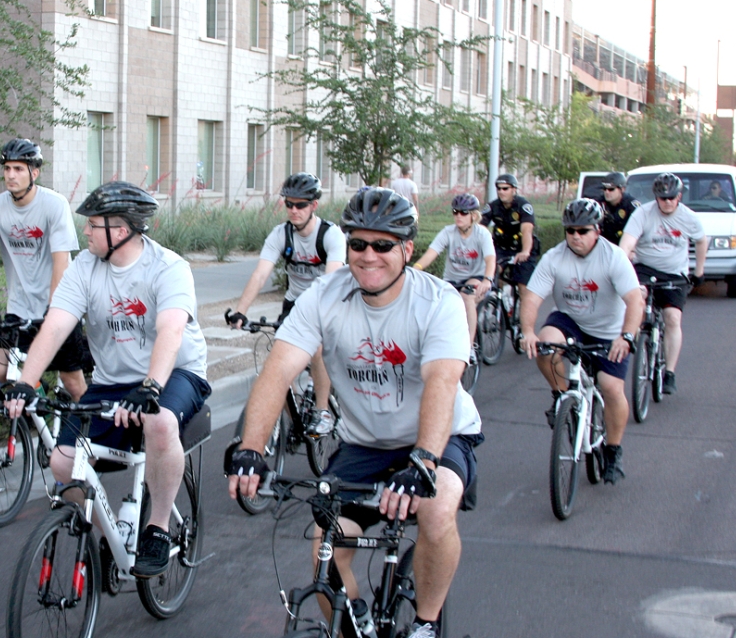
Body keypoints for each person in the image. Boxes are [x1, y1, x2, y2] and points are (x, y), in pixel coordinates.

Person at [230, 188, 482, 638]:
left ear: (407, 249)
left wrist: (423, 460)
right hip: (365, 442)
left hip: (436, 439)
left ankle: (425, 623)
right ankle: (355, 625)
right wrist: (250, 449)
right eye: (358, 244)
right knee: (323, 547)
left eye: (382, 245)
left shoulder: (437, 301)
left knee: (438, 509)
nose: (368, 256)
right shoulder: (326, 296)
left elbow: (443, 383)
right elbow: (279, 370)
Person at [2, 181, 211, 579]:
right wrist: (26, 383)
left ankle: (158, 528)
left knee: (160, 421)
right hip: (114, 380)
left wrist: (151, 387)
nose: (85, 231)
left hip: (174, 373)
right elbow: (56, 325)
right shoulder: (85, 267)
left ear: (121, 230)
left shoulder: (168, 268)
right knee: (63, 463)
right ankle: (110, 534)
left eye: (93, 224)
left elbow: (171, 330)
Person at [519, 198, 643, 484]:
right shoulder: (554, 257)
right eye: (570, 230)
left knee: (611, 388)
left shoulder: (613, 258)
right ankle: (563, 396)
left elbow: (634, 301)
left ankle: (613, 451)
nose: (576, 236)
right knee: (545, 346)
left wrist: (626, 336)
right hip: (570, 321)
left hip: (609, 329)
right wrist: (528, 331)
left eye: (583, 231)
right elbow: (533, 297)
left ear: (597, 231)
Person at [0, 138, 89, 401]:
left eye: (18, 169)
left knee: (72, 382)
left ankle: (94, 432)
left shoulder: (54, 204)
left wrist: (55, 310)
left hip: (59, 306)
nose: (10, 175)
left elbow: (61, 261)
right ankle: (39, 403)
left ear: (34, 173)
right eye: (7, 169)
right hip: (18, 308)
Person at [227, 172, 346, 434]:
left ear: (314, 205)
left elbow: (331, 281)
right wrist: (241, 311)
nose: (293, 210)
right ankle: (289, 422)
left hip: (326, 302)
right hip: (294, 303)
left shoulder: (331, 235)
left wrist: (315, 319)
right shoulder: (281, 234)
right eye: (289, 204)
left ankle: (323, 410)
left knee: (317, 348)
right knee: (279, 359)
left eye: (300, 205)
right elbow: (260, 274)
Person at [618, 172, 707, 395]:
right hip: (645, 268)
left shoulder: (688, 217)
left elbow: (701, 240)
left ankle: (670, 372)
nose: (667, 202)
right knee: (637, 298)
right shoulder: (643, 214)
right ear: (655, 197)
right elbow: (626, 244)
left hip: (674, 272)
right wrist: (620, 264)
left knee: (672, 317)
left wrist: (699, 272)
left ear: (679, 196)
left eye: (671, 198)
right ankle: (633, 343)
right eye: (662, 198)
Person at [411, 193, 495, 354]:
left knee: (467, 296)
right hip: (452, 279)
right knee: (434, 303)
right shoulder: (448, 232)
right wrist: (416, 268)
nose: (458, 216)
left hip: (476, 277)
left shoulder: (482, 233)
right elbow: (431, 253)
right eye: (455, 212)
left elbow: (490, 259)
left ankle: (469, 345)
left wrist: (487, 280)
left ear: (473, 215)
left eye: (463, 213)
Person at [481, 173, 539, 303]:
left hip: (522, 248)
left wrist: (525, 252)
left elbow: (527, 230)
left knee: (523, 287)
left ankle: (522, 319)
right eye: (499, 189)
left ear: (514, 189)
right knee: (494, 273)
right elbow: (479, 226)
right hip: (501, 247)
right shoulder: (493, 206)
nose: (501, 192)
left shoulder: (523, 206)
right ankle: (498, 304)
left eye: (505, 188)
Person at [597, 171, 641, 246]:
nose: (607, 192)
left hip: (625, 245)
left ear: (622, 189)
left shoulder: (631, 205)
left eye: (611, 189)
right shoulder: (598, 204)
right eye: (604, 189)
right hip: (604, 245)